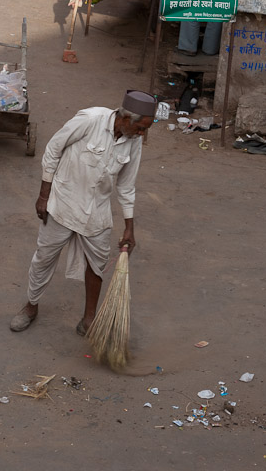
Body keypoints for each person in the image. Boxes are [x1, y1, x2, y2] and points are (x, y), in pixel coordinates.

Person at [10, 90, 156, 336]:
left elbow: (126, 185)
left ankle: (89, 319)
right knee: (44, 258)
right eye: (141, 128)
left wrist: (129, 226)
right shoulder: (90, 120)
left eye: (146, 129)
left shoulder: (135, 141)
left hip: (96, 211)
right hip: (63, 203)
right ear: (124, 118)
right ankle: (30, 306)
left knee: (96, 265)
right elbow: (54, 149)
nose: (143, 134)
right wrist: (44, 195)